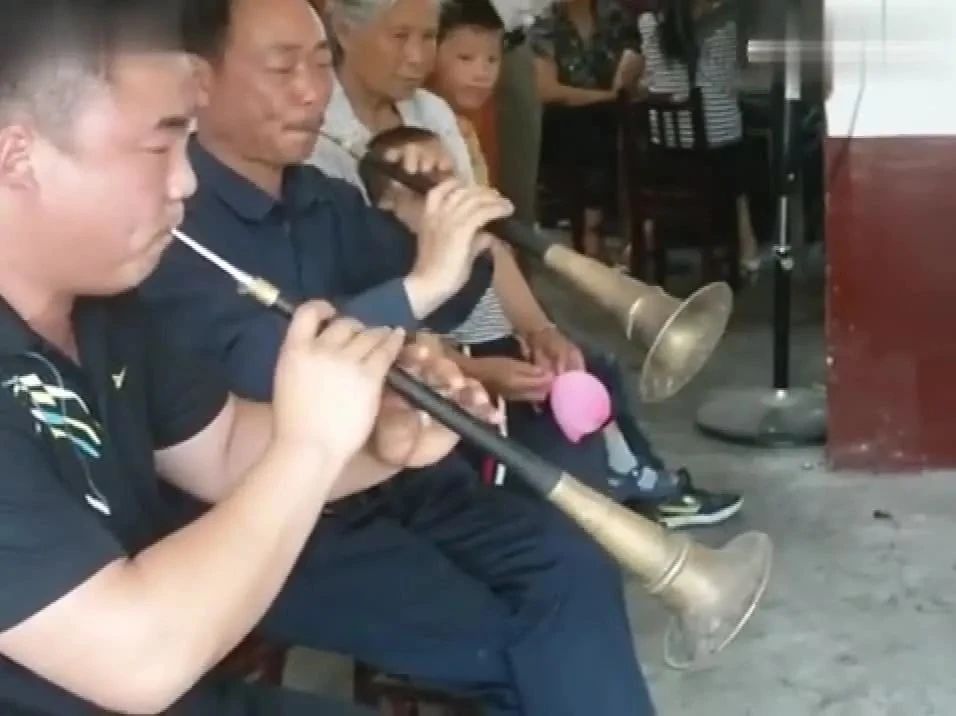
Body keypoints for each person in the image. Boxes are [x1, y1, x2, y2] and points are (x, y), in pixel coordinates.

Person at [140, 0, 657, 714]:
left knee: (577, 569)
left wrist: (435, 219)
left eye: (321, 65)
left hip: (396, 474)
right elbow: (265, 367)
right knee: (523, 645)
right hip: (278, 517)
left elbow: (450, 300)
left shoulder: (322, 198)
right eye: (283, 69)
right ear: (200, 82)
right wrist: (421, 283)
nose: (311, 92)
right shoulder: (169, 224)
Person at [0, 1, 500, 714]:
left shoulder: (102, 309)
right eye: (159, 147)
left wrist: (381, 436)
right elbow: (136, 659)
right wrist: (311, 445)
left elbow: (227, 446)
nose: (186, 183)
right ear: (18, 157)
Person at [360, 123, 744, 527]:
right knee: (557, 443)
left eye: (449, 174)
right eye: (426, 185)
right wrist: (482, 372)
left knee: (597, 367)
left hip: (504, 352)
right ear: (386, 205)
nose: (449, 192)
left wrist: (543, 333)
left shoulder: (477, 239)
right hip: (463, 377)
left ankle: (638, 478)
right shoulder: (391, 264)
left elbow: (518, 300)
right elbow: (416, 353)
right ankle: (610, 489)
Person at [638, 0, 762, 280]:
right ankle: (747, 244)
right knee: (743, 154)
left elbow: (649, 77)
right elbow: (737, 72)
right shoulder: (726, 25)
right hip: (715, 159)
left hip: (665, 157)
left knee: (674, 154)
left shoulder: (648, 23)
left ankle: (642, 239)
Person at [530, 0, 644, 262]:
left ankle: (630, 235)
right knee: (586, 127)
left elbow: (634, 66)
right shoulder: (546, 25)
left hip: (613, 116)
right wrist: (607, 97)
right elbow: (548, 90)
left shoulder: (615, 16)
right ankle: (592, 231)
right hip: (567, 121)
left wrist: (624, 85)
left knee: (626, 126)